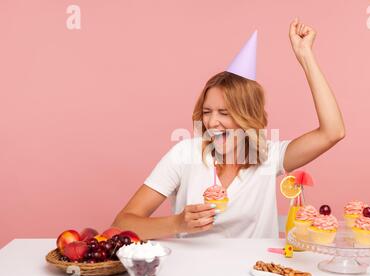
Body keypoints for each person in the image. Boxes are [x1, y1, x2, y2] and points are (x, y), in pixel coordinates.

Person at [112, 19, 345, 239]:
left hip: (256, 274)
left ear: (249, 117)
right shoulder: (184, 155)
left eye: (224, 113)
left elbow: (332, 132)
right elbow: (122, 224)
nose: (212, 122)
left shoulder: (268, 157)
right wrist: (177, 223)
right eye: (207, 112)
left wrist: (306, 56)